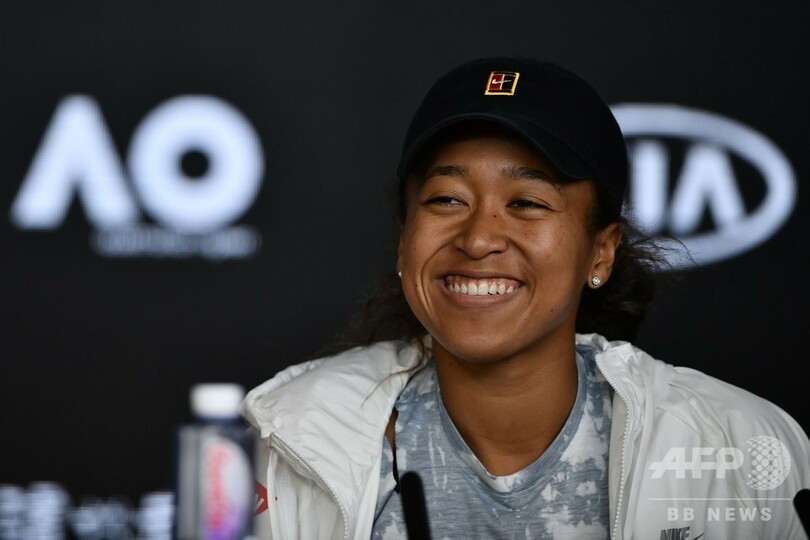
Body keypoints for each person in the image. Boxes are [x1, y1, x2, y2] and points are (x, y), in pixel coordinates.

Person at [241, 57, 810, 539]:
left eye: (528, 203)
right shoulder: (284, 441)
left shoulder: (740, 445)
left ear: (601, 253)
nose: (478, 238)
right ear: (404, 240)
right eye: (446, 199)